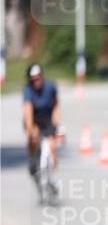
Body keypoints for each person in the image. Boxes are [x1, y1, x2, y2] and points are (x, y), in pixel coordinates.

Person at [22, 63, 63, 193]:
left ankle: (53, 175)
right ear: (30, 80)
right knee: (33, 139)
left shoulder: (50, 87)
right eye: (33, 79)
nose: (36, 81)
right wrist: (30, 129)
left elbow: (55, 105)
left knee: (52, 146)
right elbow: (27, 111)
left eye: (38, 77)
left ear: (42, 76)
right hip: (33, 120)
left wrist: (57, 123)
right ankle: (32, 164)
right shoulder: (28, 90)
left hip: (47, 120)